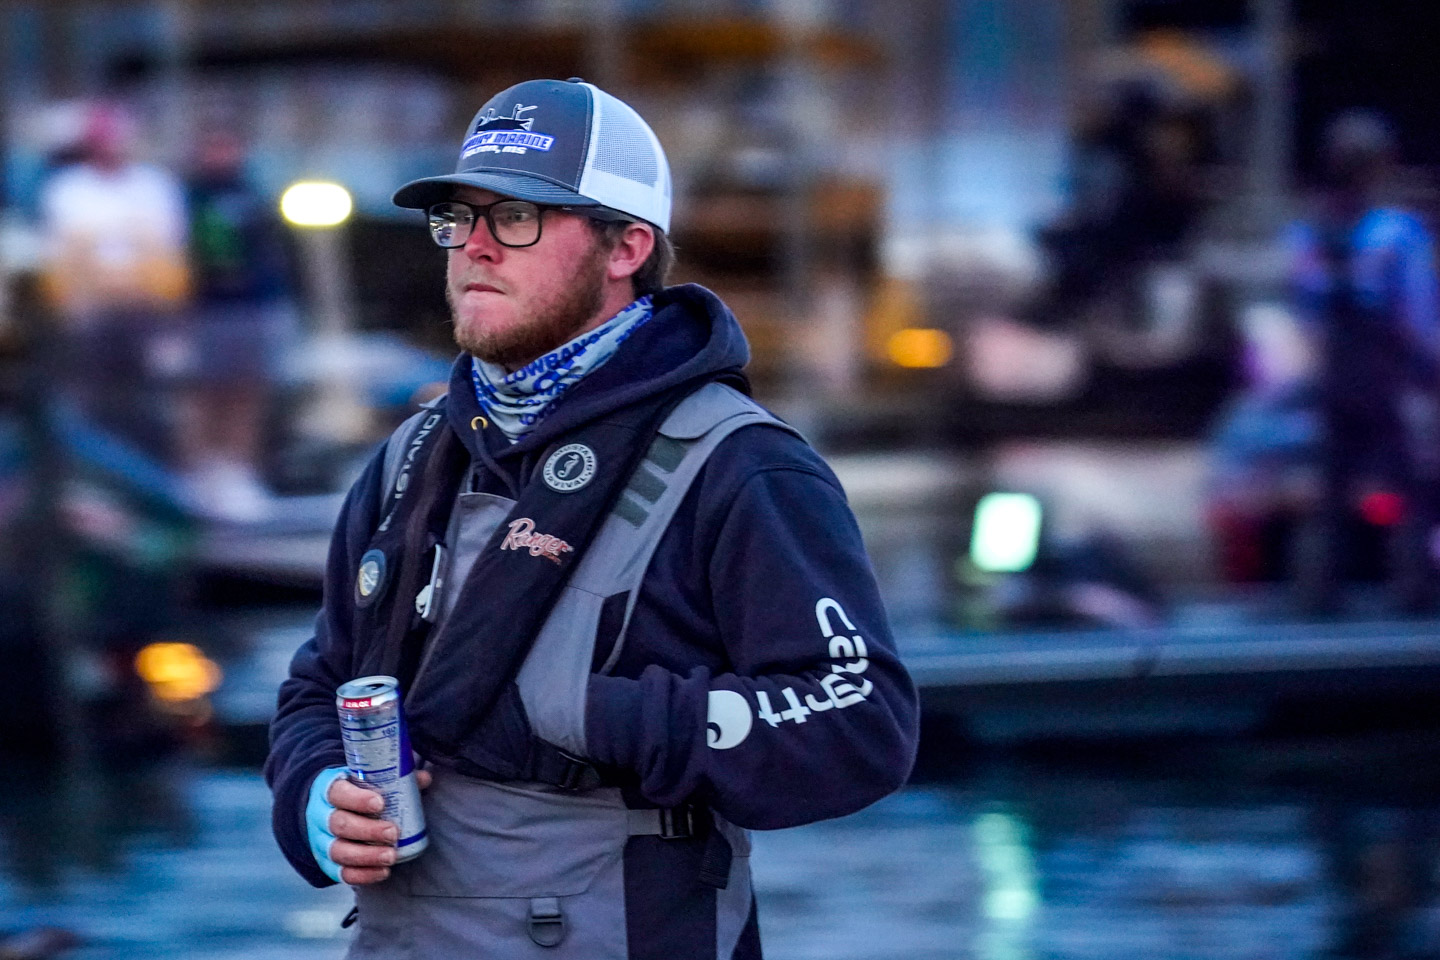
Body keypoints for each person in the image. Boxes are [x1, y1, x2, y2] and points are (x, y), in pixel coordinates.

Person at [265, 78, 919, 958]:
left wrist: (584, 713)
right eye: (458, 217)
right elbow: (320, 683)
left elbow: (863, 724)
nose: (475, 246)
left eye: (517, 218)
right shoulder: (409, 457)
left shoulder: (739, 464)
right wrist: (315, 797)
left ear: (627, 246)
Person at [1288, 110, 1440, 614]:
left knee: (1333, 483)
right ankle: (1415, 585)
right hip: (1384, 373)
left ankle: (1319, 588)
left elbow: (1305, 309)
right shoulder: (1397, 232)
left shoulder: (1310, 232)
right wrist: (1428, 367)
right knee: (1410, 482)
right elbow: (1415, 313)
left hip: (1335, 372)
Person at [38, 101, 190, 461]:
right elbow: (55, 254)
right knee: (91, 395)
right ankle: (94, 467)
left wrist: (171, 312)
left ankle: (154, 467)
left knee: (152, 397)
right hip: (89, 313)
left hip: (146, 310)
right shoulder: (67, 190)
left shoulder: (154, 186)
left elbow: (173, 247)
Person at [176, 127, 292, 521]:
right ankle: (199, 473)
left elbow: (272, 250)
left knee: (247, 391)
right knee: (203, 394)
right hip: (204, 309)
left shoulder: (254, 195)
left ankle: (238, 471)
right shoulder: (186, 199)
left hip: (252, 307)